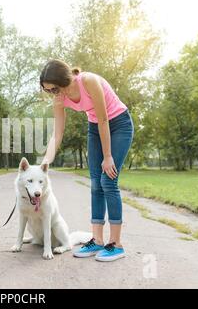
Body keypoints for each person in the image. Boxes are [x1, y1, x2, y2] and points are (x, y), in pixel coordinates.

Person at [40, 59, 134, 262]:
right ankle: (97, 240)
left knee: (108, 181)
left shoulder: (88, 81)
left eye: (54, 89)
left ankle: (116, 244)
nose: (52, 94)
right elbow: (57, 134)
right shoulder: (59, 97)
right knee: (95, 184)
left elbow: (104, 119)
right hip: (95, 126)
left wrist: (108, 156)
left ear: (64, 80)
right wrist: (44, 164)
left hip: (118, 123)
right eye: (48, 91)